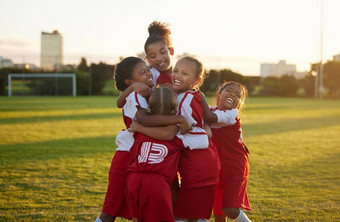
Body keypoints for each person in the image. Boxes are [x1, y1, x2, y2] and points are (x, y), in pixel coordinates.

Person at [96, 57, 188, 222]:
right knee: (110, 211)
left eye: (147, 69)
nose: (148, 73)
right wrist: (179, 119)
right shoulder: (136, 94)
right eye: (142, 72)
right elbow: (144, 120)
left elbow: (121, 103)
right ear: (130, 81)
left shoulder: (145, 92)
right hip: (128, 158)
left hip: (141, 156)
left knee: (141, 211)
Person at [171, 56, 220, 222]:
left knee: (181, 216)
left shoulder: (182, 99)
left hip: (196, 163)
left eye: (185, 73)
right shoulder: (195, 95)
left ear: (197, 80)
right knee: (195, 215)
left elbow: (181, 129)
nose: (177, 75)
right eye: (175, 70)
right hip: (205, 159)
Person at [125, 86, 184, 222]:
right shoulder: (175, 130)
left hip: (134, 177)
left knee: (137, 217)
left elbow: (134, 152)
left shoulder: (141, 128)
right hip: (156, 182)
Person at [209, 82, 252, 222]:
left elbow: (209, 117)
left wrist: (198, 98)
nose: (233, 95)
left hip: (235, 168)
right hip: (218, 168)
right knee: (219, 211)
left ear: (239, 103)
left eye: (237, 95)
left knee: (229, 208)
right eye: (229, 91)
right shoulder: (211, 110)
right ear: (218, 95)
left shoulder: (232, 114)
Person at [116, 20, 174, 108]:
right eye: (153, 56)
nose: (159, 58)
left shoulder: (181, 72)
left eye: (162, 52)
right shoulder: (151, 75)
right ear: (149, 60)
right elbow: (119, 103)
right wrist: (132, 87)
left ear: (171, 51)